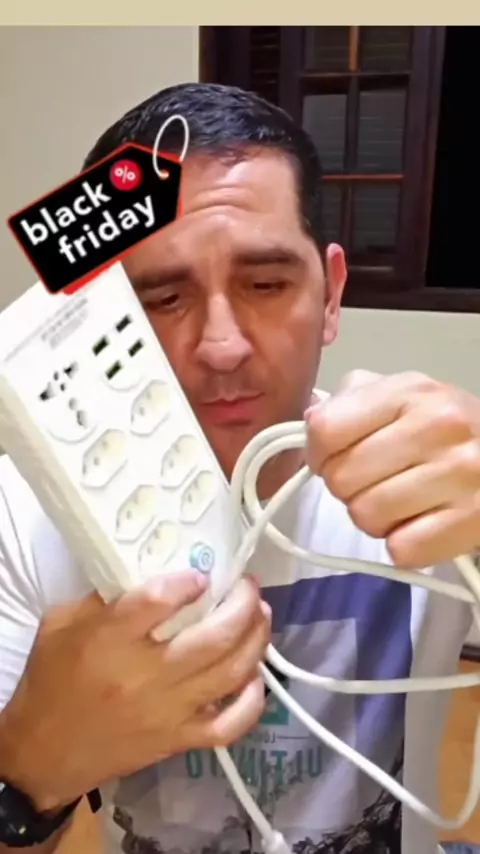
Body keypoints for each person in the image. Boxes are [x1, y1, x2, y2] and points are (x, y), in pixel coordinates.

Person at [0, 82, 478, 854]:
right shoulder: (21, 518)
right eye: (163, 297)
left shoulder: (434, 481)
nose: (221, 345)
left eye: (265, 284)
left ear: (332, 296)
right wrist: (29, 772)